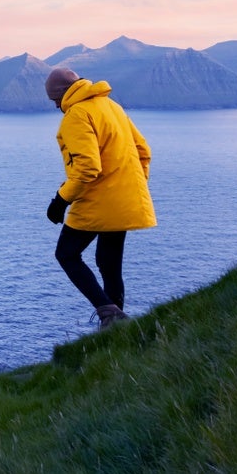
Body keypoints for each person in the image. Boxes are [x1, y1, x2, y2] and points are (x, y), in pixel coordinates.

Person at [44, 64, 155, 328]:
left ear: (61, 95)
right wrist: (131, 186)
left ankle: (109, 314)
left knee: (67, 254)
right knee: (108, 262)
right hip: (123, 198)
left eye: (54, 100)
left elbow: (87, 168)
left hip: (99, 200)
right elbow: (143, 151)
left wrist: (60, 200)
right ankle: (116, 326)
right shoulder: (112, 107)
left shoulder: (76, 115)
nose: (56, 106)